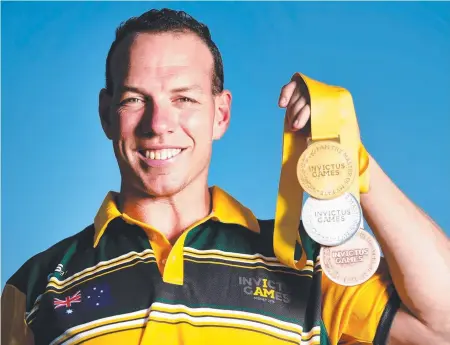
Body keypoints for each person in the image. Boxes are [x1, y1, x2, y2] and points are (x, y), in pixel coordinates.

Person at [2, 8, 449, 345]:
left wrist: (355, 164)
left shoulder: (307, 263)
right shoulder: (34, 284)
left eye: (184, 99)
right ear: (105, 113)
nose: (159, 124)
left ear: (221, 114)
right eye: (135, 99)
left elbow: (440, 326)